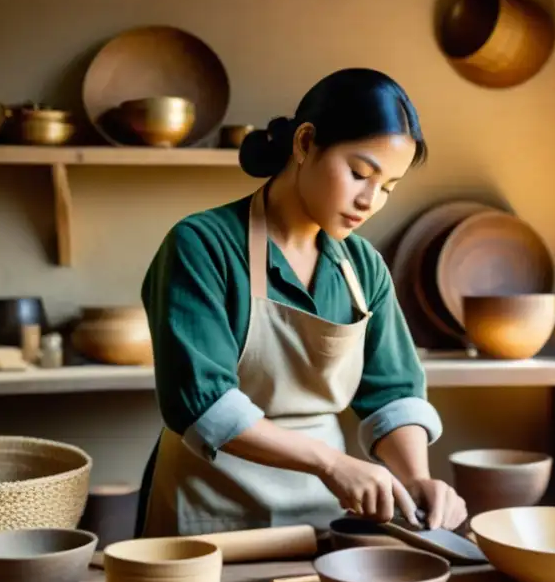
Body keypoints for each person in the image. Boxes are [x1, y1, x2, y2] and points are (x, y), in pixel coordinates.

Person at [134, 67, 467, 538]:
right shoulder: (201, 245)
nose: (370, 200)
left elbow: (393, 392)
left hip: (324, 515)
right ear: (306, 143)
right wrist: (331, 463)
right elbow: (200, 404)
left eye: (388, 187)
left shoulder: (362, 266)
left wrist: (415, 478)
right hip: (210, 513)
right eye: (359, 173)